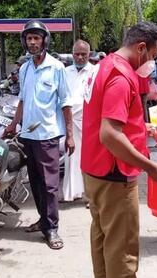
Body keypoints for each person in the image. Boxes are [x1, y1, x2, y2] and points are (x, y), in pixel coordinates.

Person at [81, 21, 157, 278]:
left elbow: (109, 118)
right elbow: (110, 134)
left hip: (94, 171)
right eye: (153, 56)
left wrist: (145, 127)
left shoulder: (105, 65)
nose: (153, 63)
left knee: (103, 243)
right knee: (122, 253)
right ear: (140, 48)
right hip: (114, 176)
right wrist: (152, 168)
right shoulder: (122, 77)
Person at [3, 20, 73, 250]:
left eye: (37, 38)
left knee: (50, 184)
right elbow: (23, 100)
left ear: (44, 40)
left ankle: (52, 228)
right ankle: (43, 220)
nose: (33, 42)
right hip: (28, 136)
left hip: (48, 135)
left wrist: (70, 135)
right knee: (34, 181)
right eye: (29, 38)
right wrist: (14, 124)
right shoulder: (24, 68)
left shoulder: (56, 68)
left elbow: (65, 102)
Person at [62, 39, 93, 202]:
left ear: (89, 55)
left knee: (89, 159)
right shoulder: (65, 72)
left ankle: (91, 196)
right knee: (70, 158)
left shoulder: (95, 72)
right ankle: (71, 193)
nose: (80, 57)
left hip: (88, 122)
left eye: (84, 54)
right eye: (77, 54)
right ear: (72, 54)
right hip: (68, 121)